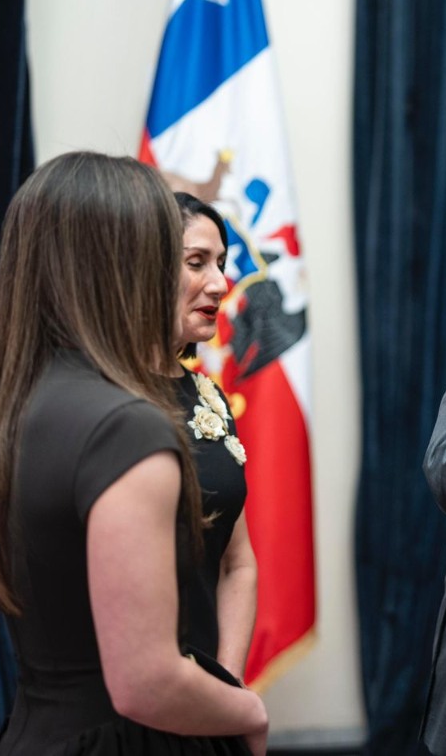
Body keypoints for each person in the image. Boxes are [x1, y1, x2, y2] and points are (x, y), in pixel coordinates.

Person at [0, 152, 268, 755]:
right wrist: (247, 714)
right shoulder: (126, 428)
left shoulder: (20, 402)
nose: (217, 282)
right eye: (168, 250)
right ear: (114, 261)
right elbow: (146, 681)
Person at [172, 192, 257, 681]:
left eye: (220, 263)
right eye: (196, 262)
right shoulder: (105, 405)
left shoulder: (210, 397)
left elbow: (238, 564)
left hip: (209, 693)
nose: (221, 283)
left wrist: (228, 690)